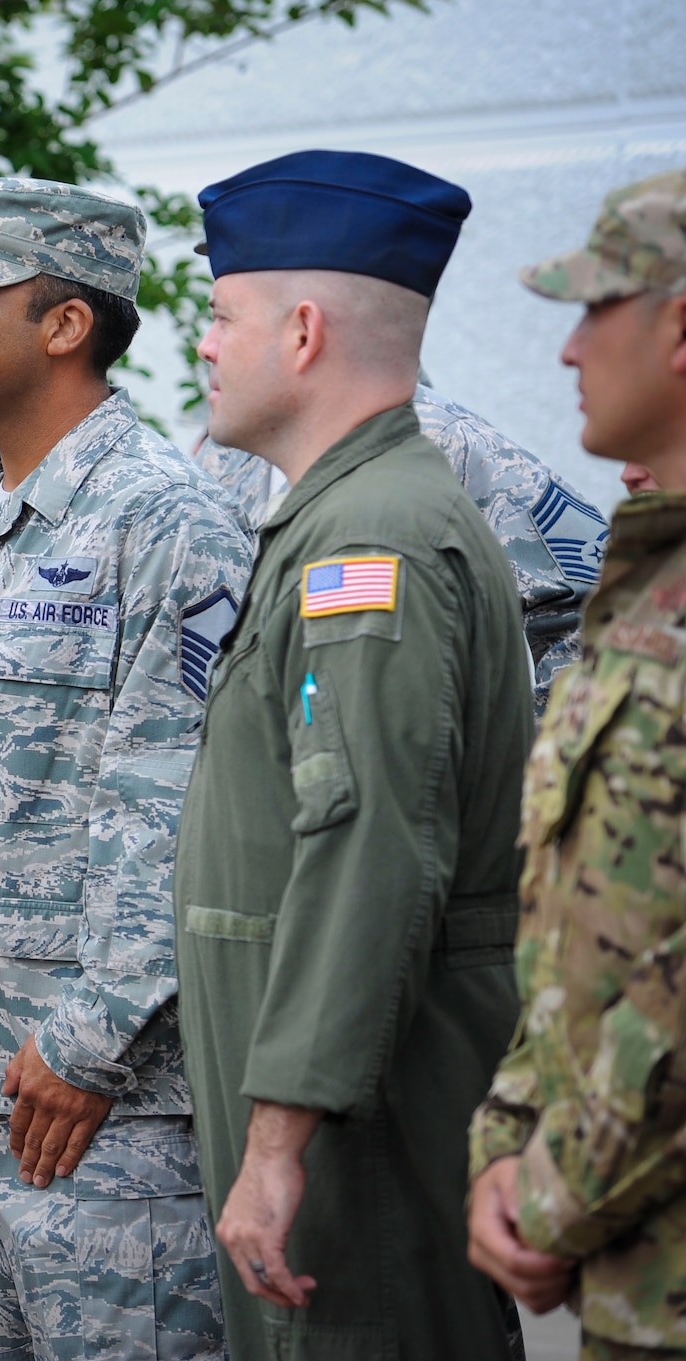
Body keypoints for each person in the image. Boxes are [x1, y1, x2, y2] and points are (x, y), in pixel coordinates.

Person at [0, 177, 250, 1361]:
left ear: (64, 322)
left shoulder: (161, 518)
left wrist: (87, 1042)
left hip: (103, 1105)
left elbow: (176, 801)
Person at [171, 150, 534, 1360]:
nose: (204, 347)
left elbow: (367, 845)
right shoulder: (337, 515)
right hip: (325, 1105)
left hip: (353, 1124)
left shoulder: (369, 536)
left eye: (220, 316)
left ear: (305, 329)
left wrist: (280, 1137)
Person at [466, 168, 686, 1360]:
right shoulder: (638, 574)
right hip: (625, 1279)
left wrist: (551, 1187)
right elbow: (575, 917)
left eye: (595, 306)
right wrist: (502, 1141)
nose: (563, 349)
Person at [191, 383, 605, 710]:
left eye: (229, 318)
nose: (208, 346)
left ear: (304, 327)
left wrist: (535, 786)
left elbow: (593, 606)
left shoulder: (447, 444)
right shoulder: (225, 454)